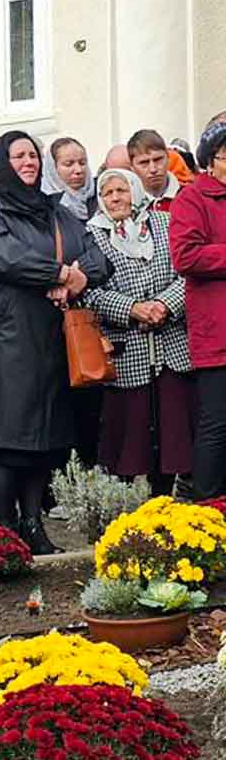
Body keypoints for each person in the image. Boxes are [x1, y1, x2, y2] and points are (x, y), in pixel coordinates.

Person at [0, 131, 111, 554]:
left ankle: (34, 524)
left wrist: (78, 277)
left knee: (47, 438)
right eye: (18, 156)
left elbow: (97, 257)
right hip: (5, 340)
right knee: (9, 439)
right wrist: (60, 273)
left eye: (33, 155)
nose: (28, 162)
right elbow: (2, 256)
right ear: (0, 162)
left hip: (49, 339)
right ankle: (6, 525)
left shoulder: (54, 210)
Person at [85, 167, 192, 489]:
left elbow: (187, 272)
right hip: (126, 348)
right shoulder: (92, 235)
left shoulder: (163, 223)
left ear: (135, 190)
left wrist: (164, 305)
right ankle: (127, 507)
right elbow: (88, 291)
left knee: (174, 431)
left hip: (172, 344)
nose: (115, 198)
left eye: (122, 190)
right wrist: (132, 309)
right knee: (130, 436)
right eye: (107, 193)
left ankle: (167, 495)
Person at [172, 119, 226, 498]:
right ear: (211, 159)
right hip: (218, 331)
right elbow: (185, 255)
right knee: (218, 424)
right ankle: (209, 508)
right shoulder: (193, 199)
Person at [130, 130, 183, 212]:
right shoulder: (126, 204)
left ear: (168, 158)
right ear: (132, 167)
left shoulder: (191, 197)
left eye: (158, 160)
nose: (153, 169)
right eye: (144, 162)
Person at [49, 137, 95, 221]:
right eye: (68, 164)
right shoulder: (48, 208)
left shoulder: (101, 197)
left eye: (82, 163)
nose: (78, 170)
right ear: (53, 168)